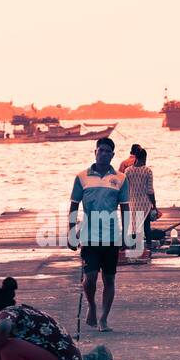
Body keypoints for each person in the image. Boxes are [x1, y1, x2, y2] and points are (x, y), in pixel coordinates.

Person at [69, 137, 129, 333]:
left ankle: (104, 319)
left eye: (107, 151)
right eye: (100, 150)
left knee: (109, 279)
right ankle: (92, 306)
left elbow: (125, 208)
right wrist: (70, 232)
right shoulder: (82, 177)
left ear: (112, 155)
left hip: (112, 236)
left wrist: (127, 235)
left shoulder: (120, 179)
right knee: (91, 278)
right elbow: (74, 205)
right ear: (95, 152)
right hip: (88, 235)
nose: (103, 153)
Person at [124, 147, 157, 263]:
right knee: (146, 227)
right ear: (144, 158)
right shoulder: (148, 171)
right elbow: (150, 190)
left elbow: (125, 189)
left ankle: (133, 249)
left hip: (132, 202)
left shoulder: (127, 171)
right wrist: (154, 205)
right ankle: (148, 248)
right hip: (145, 203)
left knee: (133, 227)